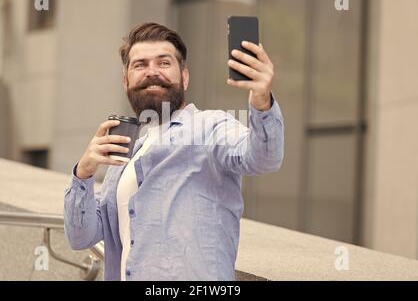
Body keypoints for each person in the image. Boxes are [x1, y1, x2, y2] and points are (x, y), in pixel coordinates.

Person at [64, 22, 284, 281]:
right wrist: (84, 172)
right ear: (126, 81)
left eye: (164, 63)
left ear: (185, 77)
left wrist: (261, 100)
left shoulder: (210, 127)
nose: (152, 72)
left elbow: (263, 158)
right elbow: (81, 237)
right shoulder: (126, 154)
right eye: (140, 65)